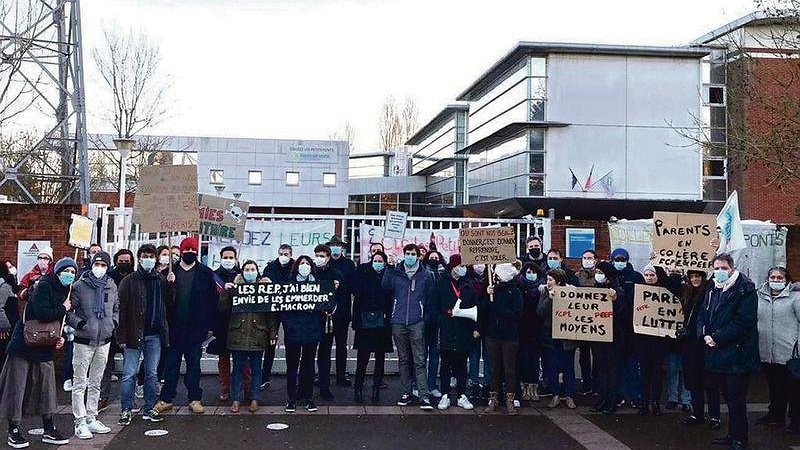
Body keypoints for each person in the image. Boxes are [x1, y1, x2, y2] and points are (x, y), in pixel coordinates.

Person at [0, 257, 76, 448]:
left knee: (47, 389)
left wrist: (60, 335)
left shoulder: (66, 290)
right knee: (16, 389)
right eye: (67, 271)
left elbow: (58, 320)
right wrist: (63, 308)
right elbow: (42, 313)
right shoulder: (44, 285)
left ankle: (49, 428)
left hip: (45, 346)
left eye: (73, 272)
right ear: (57, 271)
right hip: (24, 345)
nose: (70, 275)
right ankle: (14, 430)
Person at [698, 253, 759, 450]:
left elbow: (743, 323)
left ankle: (740, 438)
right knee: (728, 398)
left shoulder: (745, 290)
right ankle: (732, 434)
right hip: (718, 354)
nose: (720, 271)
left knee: (736, 400)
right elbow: (704, 313)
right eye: (716, 268)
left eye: (723, 268)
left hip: (737, 355)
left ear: (732, 268)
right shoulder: (712, 288)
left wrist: (717, 337)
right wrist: (704, 333)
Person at [154, 236, 217, 415]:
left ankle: (194, 399)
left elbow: (212, 301)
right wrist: (168, 284)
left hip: (196, 330)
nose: (190, 253)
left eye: (193, 250)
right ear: (181, 252)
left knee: (194, 366)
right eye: (186, 250)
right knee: (171, 365)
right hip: (174, 329)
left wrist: (210, 327)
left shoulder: (205, 273)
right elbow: (162, 301)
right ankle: (166, 399)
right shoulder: (169, 273)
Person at [117, 244, 171, 427]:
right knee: (129, 374)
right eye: (145, 255)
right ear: (139, 258)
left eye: (151, 256)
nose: (148, 258)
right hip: (133, 334)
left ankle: (149, 408)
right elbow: (121, 310)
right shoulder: (129, 281)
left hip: (154, 335)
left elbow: (169, 303)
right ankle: (126, 409)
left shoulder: (161, 280)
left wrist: (172, 284)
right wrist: (122, 337)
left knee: (152, 374)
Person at [67, 252, 117, 440]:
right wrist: (80, 324)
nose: (100, 267)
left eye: (103, 264)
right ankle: (79, 421)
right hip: (83, 340)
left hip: (104, 340)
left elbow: (116, 307)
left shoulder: (111, 286)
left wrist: (113, 324)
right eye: (97, 263)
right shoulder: (79, 286)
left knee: (96, 382)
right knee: (80, 382)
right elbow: (69, 310)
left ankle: (91, 416)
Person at [382, 243, 437, 410]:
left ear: (418, 256)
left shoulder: (426, 275)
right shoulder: (396, 273)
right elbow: (385, 286)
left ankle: (423, 395)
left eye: (413, 253)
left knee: (420, 359)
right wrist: (389, 268)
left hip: (417, 321)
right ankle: (406, 392)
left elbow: (431, 299)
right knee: (404, 359)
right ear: (403, 254)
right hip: (398, 321)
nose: (410, 256)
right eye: (408, 253)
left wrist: (424, 318)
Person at [219, 260, 278, 413]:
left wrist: (272, 333)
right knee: (237, 370)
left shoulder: (264, 289)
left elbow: (271, 315)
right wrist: (226, 292)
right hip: (238, 335)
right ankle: (236, 399)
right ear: (242, 272)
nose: (250, 271)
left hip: (258, 335)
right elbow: (223, 309)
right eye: (247, 269)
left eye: (253, 269)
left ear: (257, 271)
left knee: (256, 370)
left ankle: (254, 398)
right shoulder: (235, 288)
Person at [281, 256, 335, 413]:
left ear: (312, 267)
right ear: (297, 266)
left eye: (307, 264)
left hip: (312, 330)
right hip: (293, 331)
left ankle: (308, 398)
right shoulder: (289, 284)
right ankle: (291, 399)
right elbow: (282, 309)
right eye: (302, 263)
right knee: (292, 366)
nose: (304, 266)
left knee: (309, 365)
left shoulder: (318, 285)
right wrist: (289, 326)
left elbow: (327, 306)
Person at [756, 266, 800, 432]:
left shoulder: (795, 298)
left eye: (779, 278)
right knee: (774, 386)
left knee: (793, 390)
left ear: (786, 280)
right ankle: (775, 415)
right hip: (767, 351)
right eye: (772, 277)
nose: (775, 280)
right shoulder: (759, 296)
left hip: (789, 353)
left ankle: (796, 421)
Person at [634, 263, 681, 416]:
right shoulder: (638, 290)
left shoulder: (665, 289)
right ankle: (644, 402)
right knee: (644, 372)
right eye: (647, 275)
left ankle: (655, 402)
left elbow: (676, 290)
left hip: (660, 339)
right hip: (642, 339)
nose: (649, 278)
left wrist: (660, 265)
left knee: (657, 372)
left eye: (652, 275)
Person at [434, 254, 477, 411]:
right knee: (446, 364)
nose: (463, 269)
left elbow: (475, 306)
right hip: (447, 328)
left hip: (463, 329)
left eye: (464, 266)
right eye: (460, 266)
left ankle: (461, 395)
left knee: (461, 365)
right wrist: (444, 316)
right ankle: (445, 394)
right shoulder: (441, 284)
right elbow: (435, 305)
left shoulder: (468, 285)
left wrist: (474, 328)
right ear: (452, 267)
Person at [351, 251, 393, 404]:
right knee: (362, 359)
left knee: (380, 359)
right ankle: (358, 388)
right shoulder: (363, 273)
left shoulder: (389, 275)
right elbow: (356, 297)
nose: (378, 262)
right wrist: (356, 322)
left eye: (381, 260)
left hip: (383, 323)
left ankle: (376, 390)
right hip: (365, 323)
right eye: (375, 260)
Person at [98, 248, 136, 409]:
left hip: (129, 327)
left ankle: (128, 400)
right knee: (105, 365)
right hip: (110, 327)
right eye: (121, 261)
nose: (124, 264)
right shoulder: (108, 278)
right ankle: (102, 397)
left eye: (127, 261)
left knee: (130, 368)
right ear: (115, 262)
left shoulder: (136, 278)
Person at [483, 263, 523, 415]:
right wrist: (487, 297)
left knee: (509, 370)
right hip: (493, 335)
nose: (495, 277)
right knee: (494, 369)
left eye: (497, 275)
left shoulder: (515, 292)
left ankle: (510, 400)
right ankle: (493, 399)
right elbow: (484, 309)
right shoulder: (492, 291)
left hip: (509, 337)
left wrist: (497, 309)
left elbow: (517, 315)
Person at [539, 268, 578, 410]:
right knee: (552, 367)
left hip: (567, 336)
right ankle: (555, 395)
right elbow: (540, 312)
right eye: (547, 279)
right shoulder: (544, 292)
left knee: (568, 367)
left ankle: (569, 396)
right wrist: (550, 299)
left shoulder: (572, 292)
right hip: (550, 336)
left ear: (559, 281)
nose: (548, 282)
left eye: (550, 280)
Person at [610, 248, 644, 409]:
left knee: (632, 364)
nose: (619, 261)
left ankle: (635, 395)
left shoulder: (636, 277)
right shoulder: (610, 276)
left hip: (632, 328)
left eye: (622, 258)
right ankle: (620, 395)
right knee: (617, 364)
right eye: (616, 259)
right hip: (614, 327)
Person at [208, 246, 242, 402]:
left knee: (243, 359)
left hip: (241, 323)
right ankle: (225, 388)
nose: (228, 260)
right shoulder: (214, 276)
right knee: (223, 359)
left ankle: (245, 388)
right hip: (221, 323)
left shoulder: (242, 275)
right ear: (220, 258)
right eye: (225, 257)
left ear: (236, 258)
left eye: (231, 257)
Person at [590, 261, 623, 415]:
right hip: (598, 336)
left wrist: (616, 299)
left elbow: (623, 311)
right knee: (601, 369)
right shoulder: (596, 289)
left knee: (612, 370)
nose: (598, 275)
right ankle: (602, 399)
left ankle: (611, 401)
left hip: (613, 337)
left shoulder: (617, 290)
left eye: (601, 272)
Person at [313, 244, 344, 401]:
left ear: (328, 257)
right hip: (311, 319)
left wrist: (336, 288)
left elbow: (341, 296)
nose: (319, 259)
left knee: (324, 354)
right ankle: (306, 384)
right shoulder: (310, 272)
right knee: (308, 354)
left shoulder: (336, 273)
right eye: (317, 255)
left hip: (327, 319)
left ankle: (325, 387)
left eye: (322, 256)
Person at [261, 244, 294, 389]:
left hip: (289, 310)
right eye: (281, 253)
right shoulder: (270, 267)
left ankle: (291, 375)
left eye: (286, 254)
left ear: (291, 254)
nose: (283, 256)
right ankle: (265, 376)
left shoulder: (296, 267)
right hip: (273, 310)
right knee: (270, 343)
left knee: (291, 342)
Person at [326, 236, 356, 388]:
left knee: (341, 345)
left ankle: (340, 375)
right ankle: (323, 376)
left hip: (343, 310)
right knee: (324, 345)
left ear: (342, 248)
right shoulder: (325, 262)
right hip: (325, 312)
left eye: (338, 245)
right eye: (333, 245)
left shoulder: (349, 264)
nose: (336, 248)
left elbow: (353, 287)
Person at [518, 261, 544, 402]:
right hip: (522, 328)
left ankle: (534, 385)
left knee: (534, 359)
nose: (531, 275)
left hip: (537, 329)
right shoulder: (519, 286)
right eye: (528, 272)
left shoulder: (542, 289)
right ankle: (525, 385)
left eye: (533, 272)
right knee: (524, 358)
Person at [422, 250, 446, 398]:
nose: (434, 259)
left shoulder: (445, 275)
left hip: (439, 320)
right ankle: (419, 384)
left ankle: (432, 385)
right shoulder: (423, 274)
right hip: (424, 318)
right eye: (431, 257)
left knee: (435, 355)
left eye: (436, 257)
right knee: (421, 355)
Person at [575, 250, 598, 395]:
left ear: (595, 260)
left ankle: (596, 382)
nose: (587, 260)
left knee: (597, 354)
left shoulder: (600, 276)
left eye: (590, 258)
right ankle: (586, 382)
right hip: (581, 321)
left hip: (597, 321)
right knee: (583, 355)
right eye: (585, 258)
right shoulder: (577, 276)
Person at [467, 263, 491, 400]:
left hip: (488, 324)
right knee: (474, 356)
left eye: (482, 263)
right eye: (477, 263)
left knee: (488, 357)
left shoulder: (492, 279)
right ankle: (474, 383)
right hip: (472, 321)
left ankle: (487, 384)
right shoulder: (468, 279)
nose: (479, 266)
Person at [0, 262, 19, 375]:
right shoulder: (4, 287)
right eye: (10, 267)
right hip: (6, 331)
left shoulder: (7, 284)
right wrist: (4, 327)